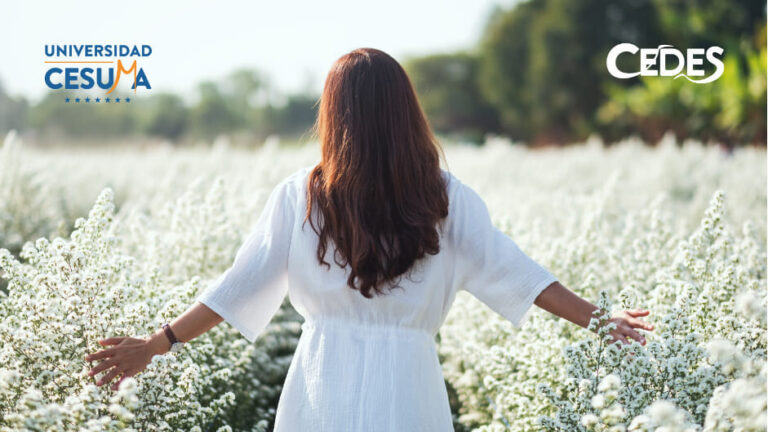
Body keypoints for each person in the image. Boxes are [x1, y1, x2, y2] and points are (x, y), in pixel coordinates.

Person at [84, 48, 654, 431]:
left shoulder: (300, 196)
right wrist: (601, 319)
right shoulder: (444, 196)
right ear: (406, 112)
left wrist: (157, 343)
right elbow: (516, 271)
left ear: (336, 116)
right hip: (411, 387)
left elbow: (238, 286)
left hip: (320, 382)